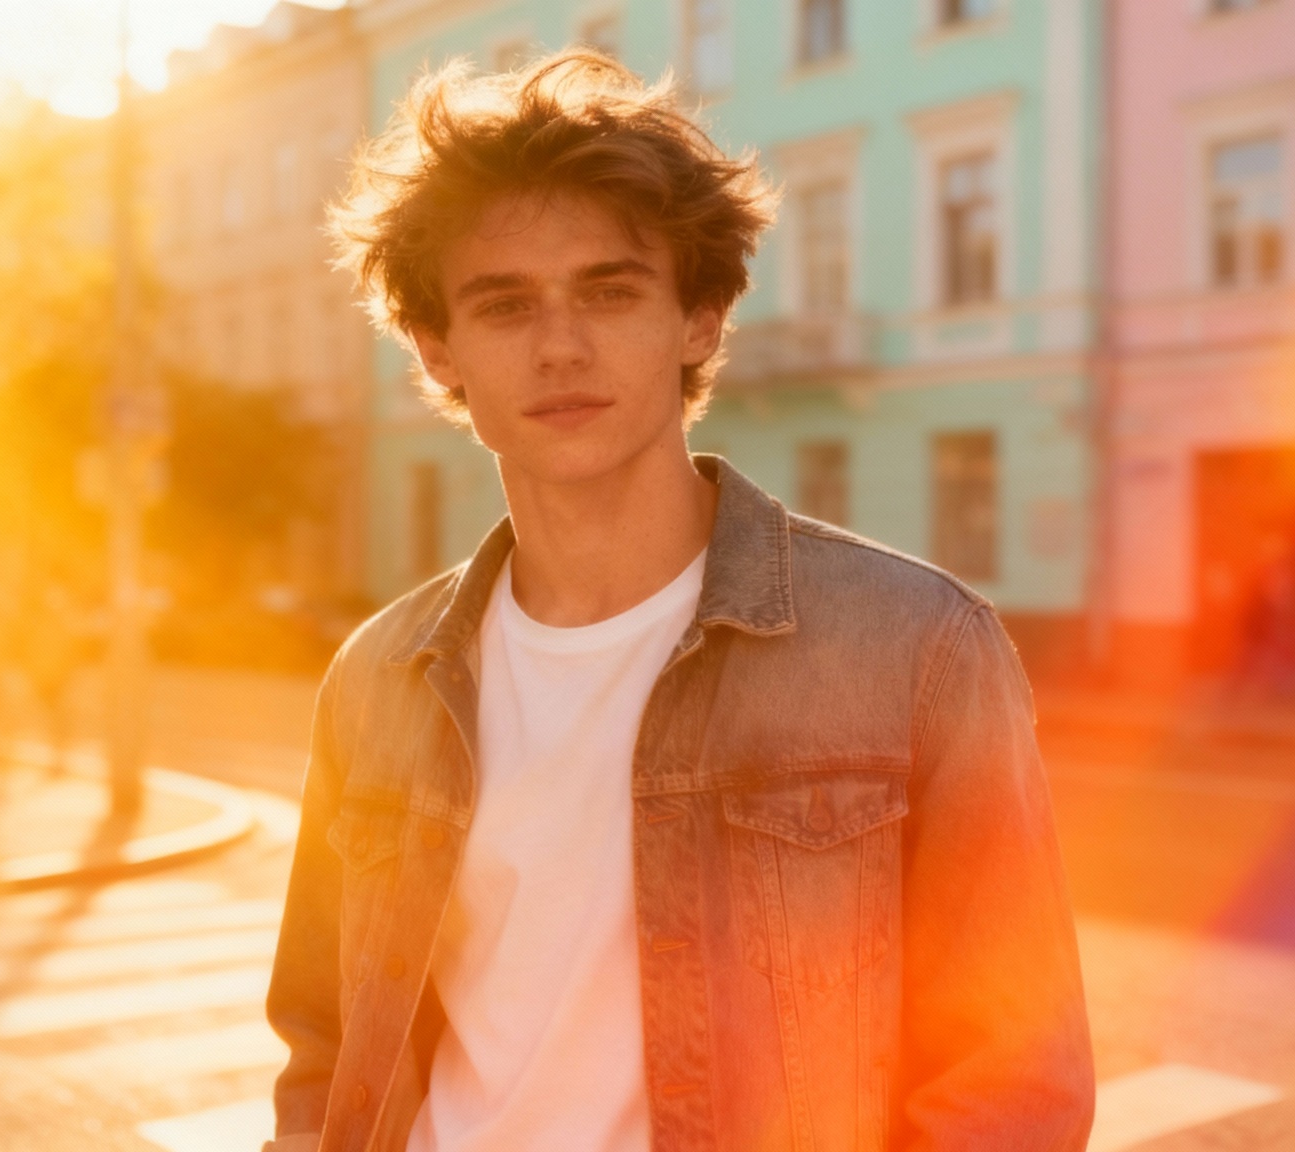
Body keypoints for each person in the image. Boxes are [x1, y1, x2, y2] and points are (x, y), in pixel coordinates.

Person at [265, 52, 1094, 1152]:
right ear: (437, 349)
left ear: (699, 319)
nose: (561, 346)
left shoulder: (918, 649)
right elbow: (326, 1053)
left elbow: (1010, 1082)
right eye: (503, 305)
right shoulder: (377, 679)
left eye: (609, 291)